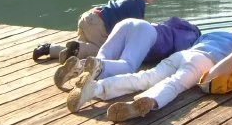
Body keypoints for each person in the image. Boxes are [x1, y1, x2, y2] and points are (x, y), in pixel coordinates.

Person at [65, 30, 232, 119]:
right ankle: (147, 101)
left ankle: (96, 87)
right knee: (174, 84)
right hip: (204, 61)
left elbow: (193, 42)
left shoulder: (211, 34)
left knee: (145, 76)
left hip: (183, 54)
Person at [33, 0, 162, 63]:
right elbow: (137, 31)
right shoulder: (137, 3)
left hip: (90, 17)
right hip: (98, 24)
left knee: (80, 49)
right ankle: (74, 49)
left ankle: (50, 48)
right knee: (103, 53)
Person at [53, 16, 201, 90]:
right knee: (128, 65)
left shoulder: (172, 26)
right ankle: (97, 68)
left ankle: (80, 65)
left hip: (128, 23)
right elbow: (183, 57)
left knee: (103, 56)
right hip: (146, 31)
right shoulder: (191, 37)